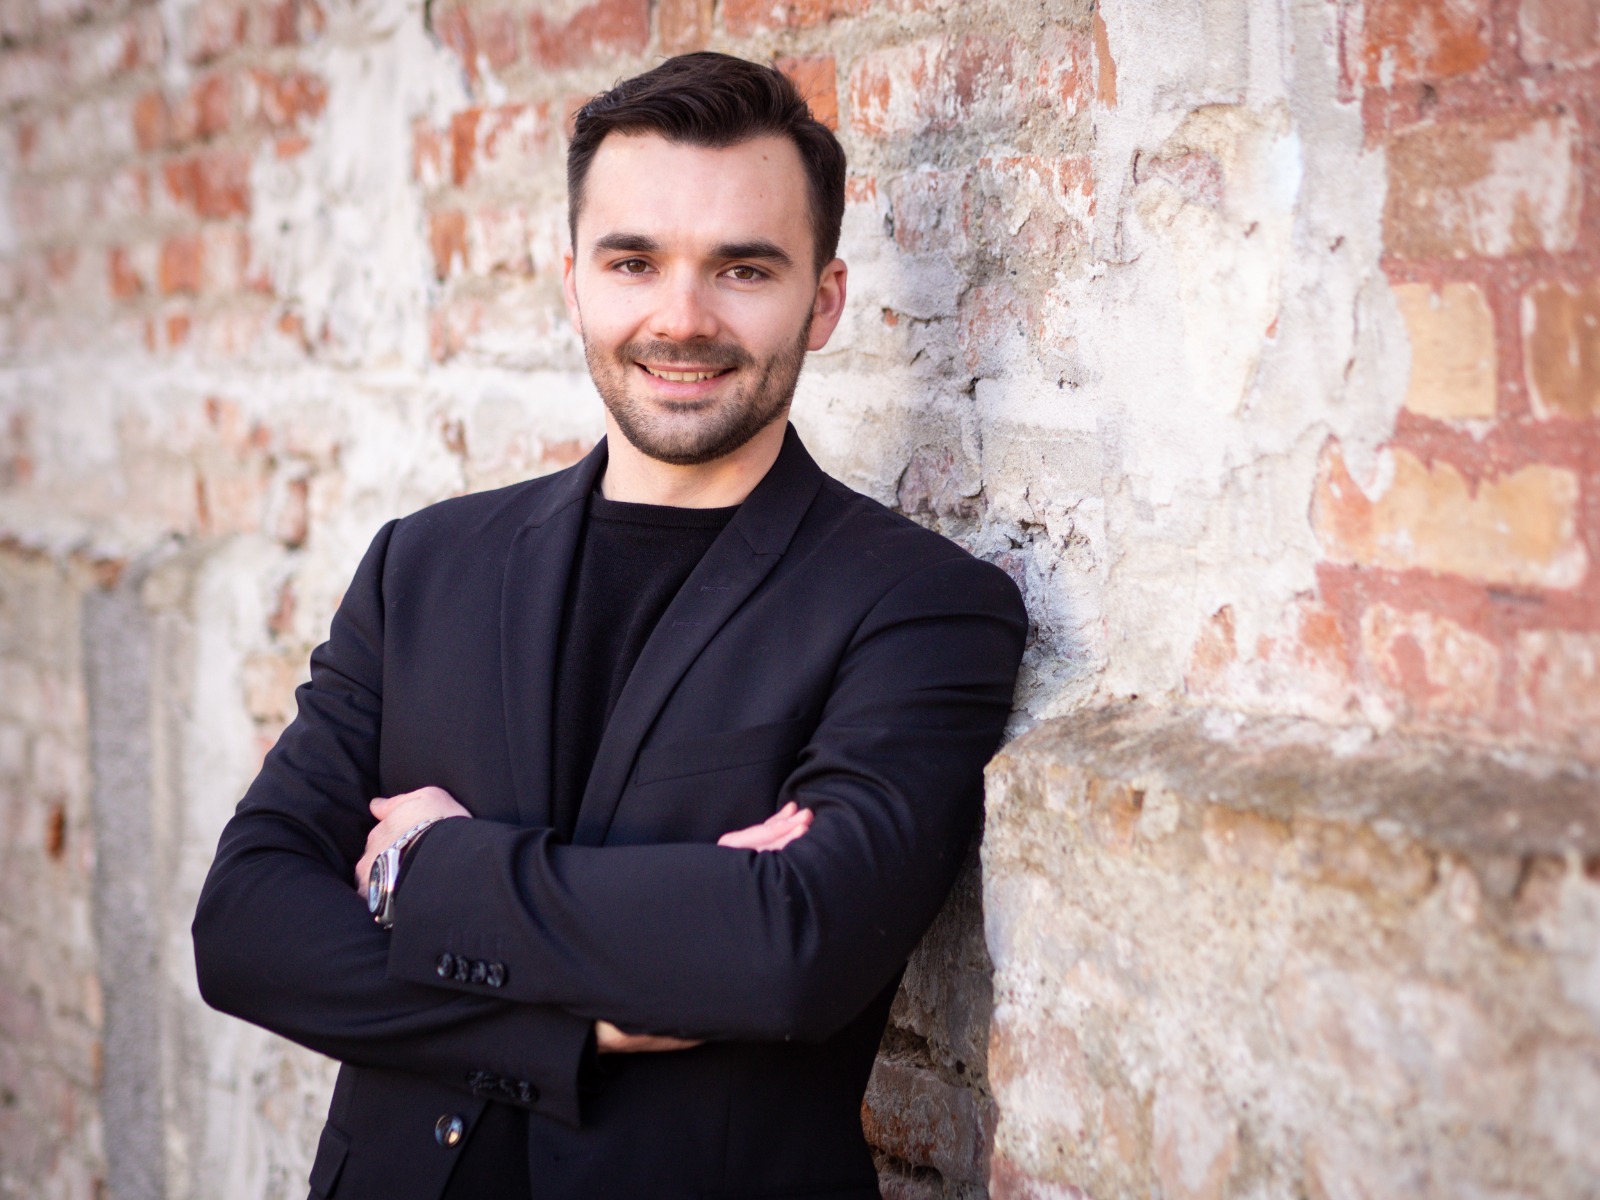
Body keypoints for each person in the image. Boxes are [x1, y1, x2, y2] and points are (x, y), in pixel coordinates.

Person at [192, 51, 1028, 1200]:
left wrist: (429, 865)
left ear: (822, 300)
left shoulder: (919, 606)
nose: (681, 319)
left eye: (743, 268)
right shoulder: (423, 566)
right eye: (634, 262)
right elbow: (244, 926)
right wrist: (559, 1033)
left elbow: (787, 949)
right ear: (573, 281)